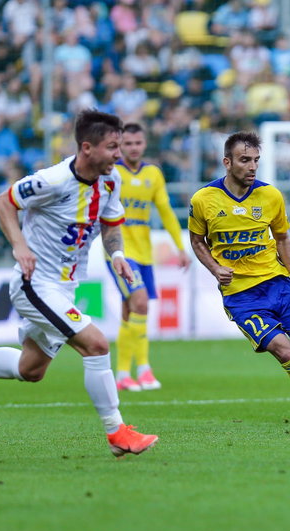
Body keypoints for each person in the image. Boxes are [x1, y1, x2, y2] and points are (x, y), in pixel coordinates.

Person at [0, 109, 158, 457]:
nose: (118, 154)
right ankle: (117, 432)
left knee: (31, 370)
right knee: (97, 345)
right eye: (112, 146)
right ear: (87, 148)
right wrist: (19, 245)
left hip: (65, 286)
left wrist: (118, 256)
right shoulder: (53, 181)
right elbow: (3, 202)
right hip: (35, 283)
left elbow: (111, 225)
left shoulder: (110, 180)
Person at [188, 131, 290, 426]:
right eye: (244, 160)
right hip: (241, 296)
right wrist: (215, 268)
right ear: (227, 162)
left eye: (256, 161)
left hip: (278, 285)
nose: (252, 166)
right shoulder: (203, 200)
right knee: (282, 349)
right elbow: (198, 241)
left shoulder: (271, 195)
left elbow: (283, 238)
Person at [108, 122, 191, 392]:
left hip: (144, 252)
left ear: (144, 145)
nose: (133, 148)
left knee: (130, 311)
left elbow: (166, 211)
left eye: (137, 143)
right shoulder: (111, 172)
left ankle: (123, 374)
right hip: (119, 251)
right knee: (140, 302)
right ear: (120, 146)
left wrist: (180, 246)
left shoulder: (153, 174)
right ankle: (142, 369)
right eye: (127, 143)